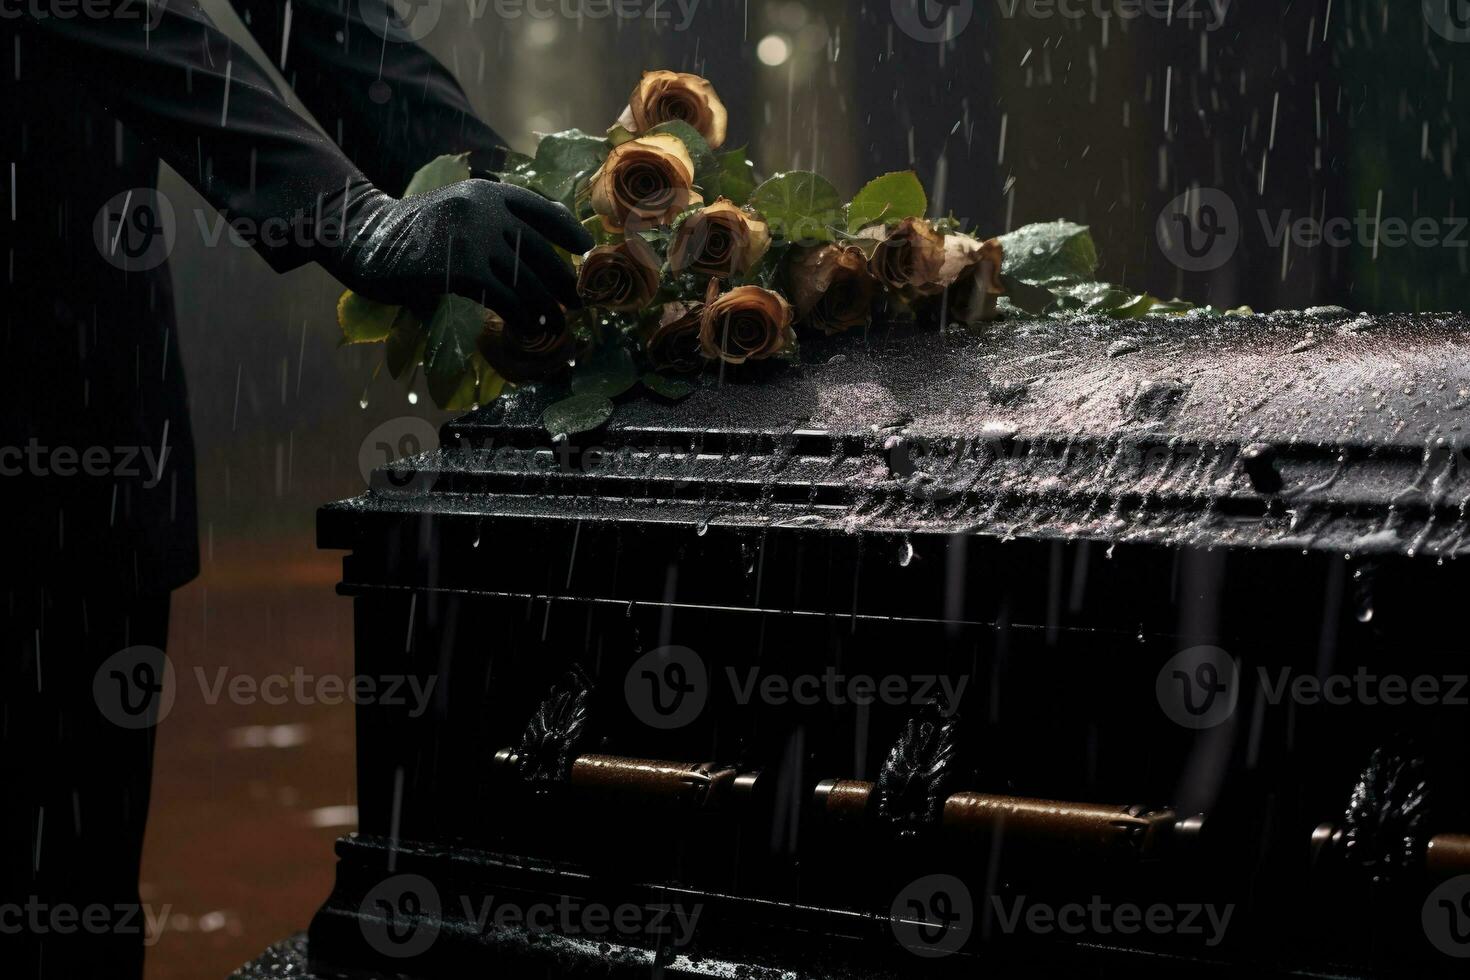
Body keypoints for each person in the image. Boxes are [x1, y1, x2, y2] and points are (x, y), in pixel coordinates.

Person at [0, 2, 591, 976]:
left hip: (84, 421)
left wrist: (534, 207)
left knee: (75, 901)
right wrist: (353, 215)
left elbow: (324, 16)